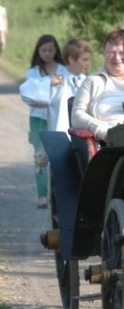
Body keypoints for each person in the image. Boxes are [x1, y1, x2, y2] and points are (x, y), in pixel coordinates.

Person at [18, 34, 65, 208]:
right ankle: (42, 195)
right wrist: (49, 83)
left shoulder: (63, 69)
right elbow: (30, 94)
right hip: (38, 118)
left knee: (58, 155)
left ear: (56, 50)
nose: (47, 53)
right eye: (44, 50)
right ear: (38, 51)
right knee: (40, 156)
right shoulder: (32, 72)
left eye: (51, 50)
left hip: (57, 116)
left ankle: (58, 192)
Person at [71, 29, 124, 142]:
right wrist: (102, 130)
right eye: (111, 53)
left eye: (122, 53)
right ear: (104, 54)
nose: (117, 58)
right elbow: (76, 115)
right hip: (107, 143)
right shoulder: (93, 81)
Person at [47, 38, 93, 133]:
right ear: (71, 59)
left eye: (89, 60)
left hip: (80, 134)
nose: (88, 64)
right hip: (60, 131)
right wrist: (48, 83)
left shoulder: (87, 80)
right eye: (85, 60)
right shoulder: (57, 79)